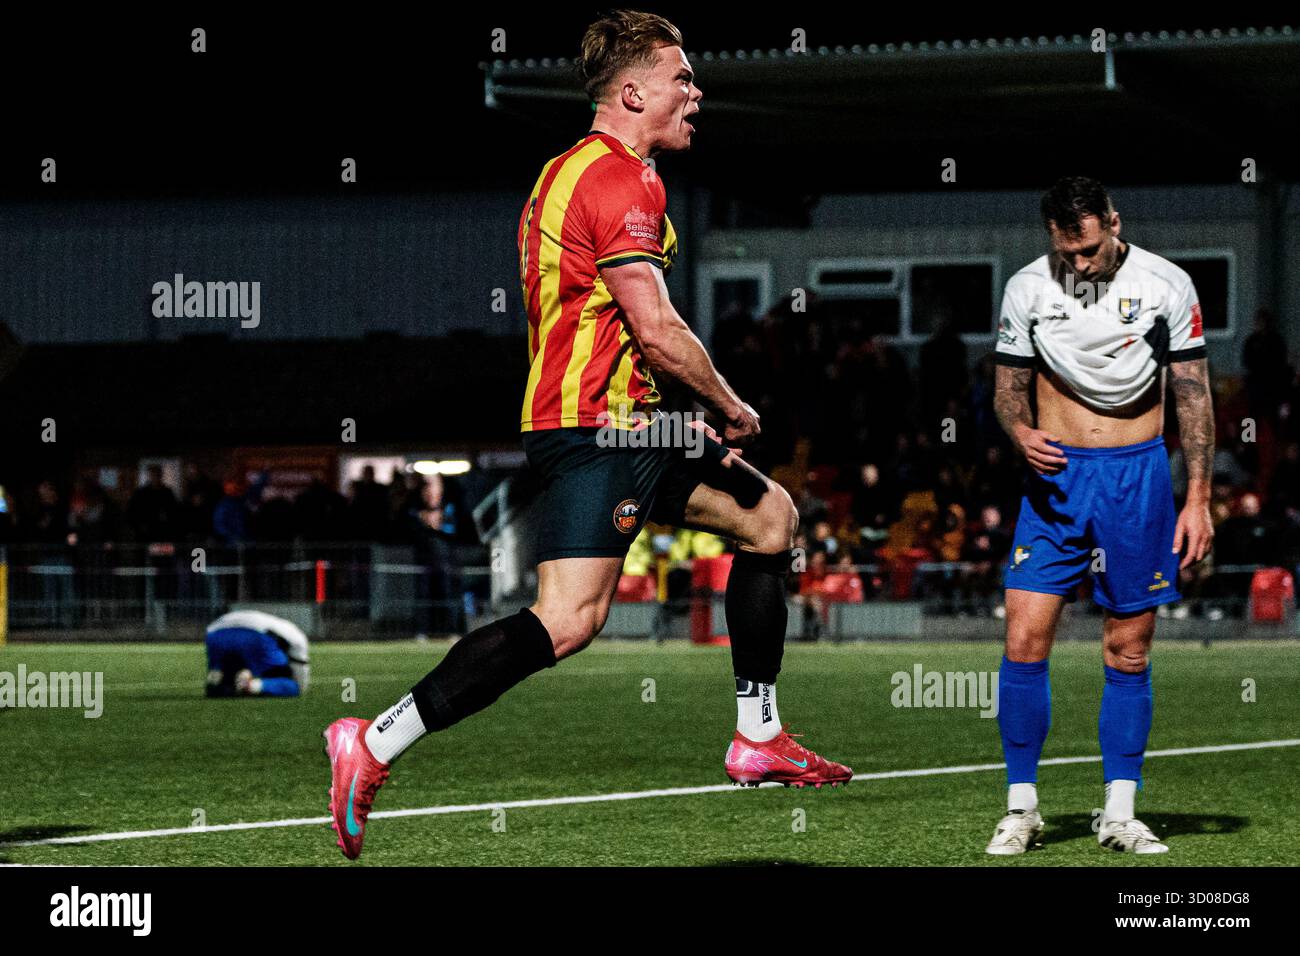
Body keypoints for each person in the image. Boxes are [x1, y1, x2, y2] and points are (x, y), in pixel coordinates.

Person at [321, 9, 851, 861]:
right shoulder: (618, 179)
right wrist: (728, 403)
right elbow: (656, 327)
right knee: (567, 621)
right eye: (682, 79)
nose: (695, 93)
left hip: (634, 422)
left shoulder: (575, 172)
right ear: (633, 90)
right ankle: (373, 742)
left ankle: (758, 735)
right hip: (602, 427)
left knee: (771, 518)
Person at [986, 176, 1214, 855]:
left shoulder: (1167, 285)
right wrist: (1018, 433)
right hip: (1054, 483)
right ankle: (1022, 809)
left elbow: (1195, 396)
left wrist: (1198, 497)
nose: (1079, 265)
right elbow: (1007, 391)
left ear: (1114, 222)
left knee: (1129, 648)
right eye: (1067, 253)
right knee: (1024, 640)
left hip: (1136, 480)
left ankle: (1118, 812)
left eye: (1088, 249)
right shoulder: (1029, 286)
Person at [204, 609, 310, 697]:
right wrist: (298, 686)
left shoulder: (280, 625)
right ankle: (250, 685)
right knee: (293, 687)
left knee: (226, 676)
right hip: (256, 635)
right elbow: (300, 676)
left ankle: (219, 679)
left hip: (215, 633)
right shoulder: (296, 635)